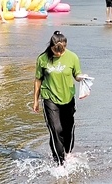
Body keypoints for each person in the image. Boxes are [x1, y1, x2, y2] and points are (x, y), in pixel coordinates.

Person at [33, 31, 88, 166]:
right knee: (55, 129)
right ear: (51, 46)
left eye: (61, 51)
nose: (58, 54)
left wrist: (81, 77)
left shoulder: (73, 57)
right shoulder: (43, 59)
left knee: (67, 129)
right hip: (49, 97)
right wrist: (35, 100)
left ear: (65, 46)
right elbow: (38, 80)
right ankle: (60, 163)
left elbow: (76, 74)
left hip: (68, 98)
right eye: (55, 51)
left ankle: (67, 153)